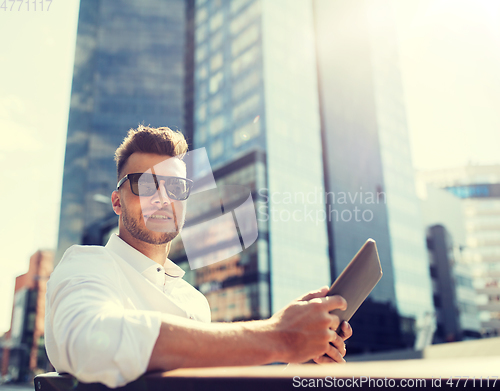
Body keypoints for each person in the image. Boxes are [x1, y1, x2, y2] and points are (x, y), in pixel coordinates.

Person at [45, 125, 353, 388]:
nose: (163, 198)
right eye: (145, 184)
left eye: (175, 187)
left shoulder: (194, 301)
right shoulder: (86, 264)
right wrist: (280, 336)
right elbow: (92, 342)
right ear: (117, 202)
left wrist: (300, 364)